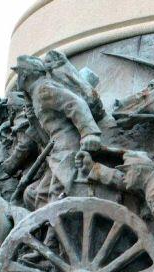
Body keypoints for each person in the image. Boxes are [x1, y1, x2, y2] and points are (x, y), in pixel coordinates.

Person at [12, 55, 102, 205]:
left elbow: (74, 103)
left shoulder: (43, 88)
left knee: (55, 197)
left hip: (67, 147)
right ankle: (50, 226)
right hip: (56, 149)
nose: (17, 79)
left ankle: (59, 225)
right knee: (35, 195)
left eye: (18, 74)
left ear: (25, 74)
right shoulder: (35, 93)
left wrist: (89, 133)